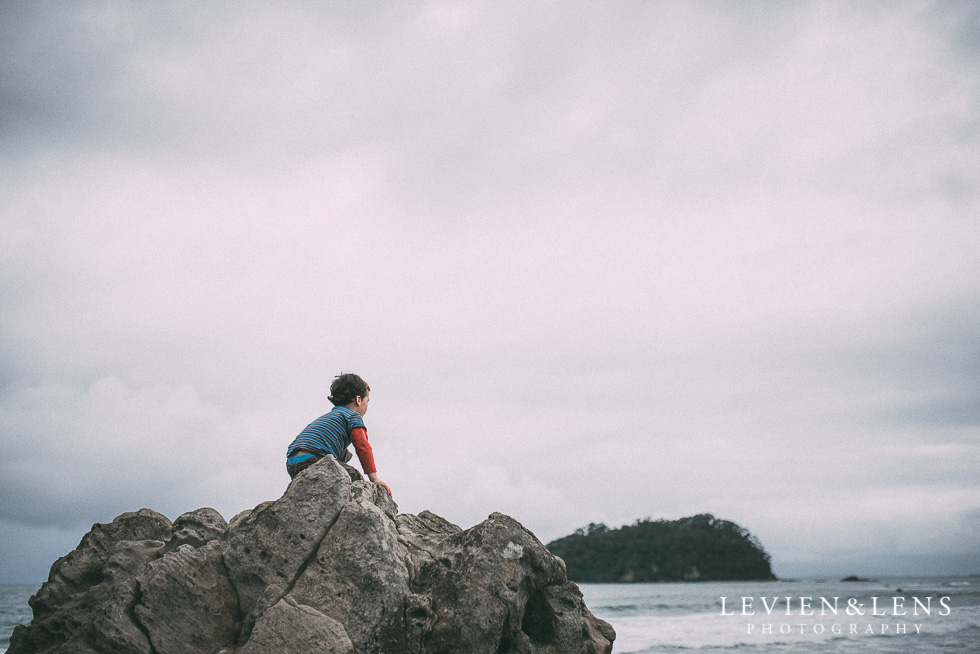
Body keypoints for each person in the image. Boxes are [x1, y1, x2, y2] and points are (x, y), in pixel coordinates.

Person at [286, 373, 392, 497]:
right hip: (314, 460)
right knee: (354, 478)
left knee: (344, 453)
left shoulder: (331, 416)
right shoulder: (353, 416)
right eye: (366, 401)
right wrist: (374, 478)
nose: (367, 406)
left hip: (292, 463)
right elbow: (362, 446)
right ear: (358, 400)